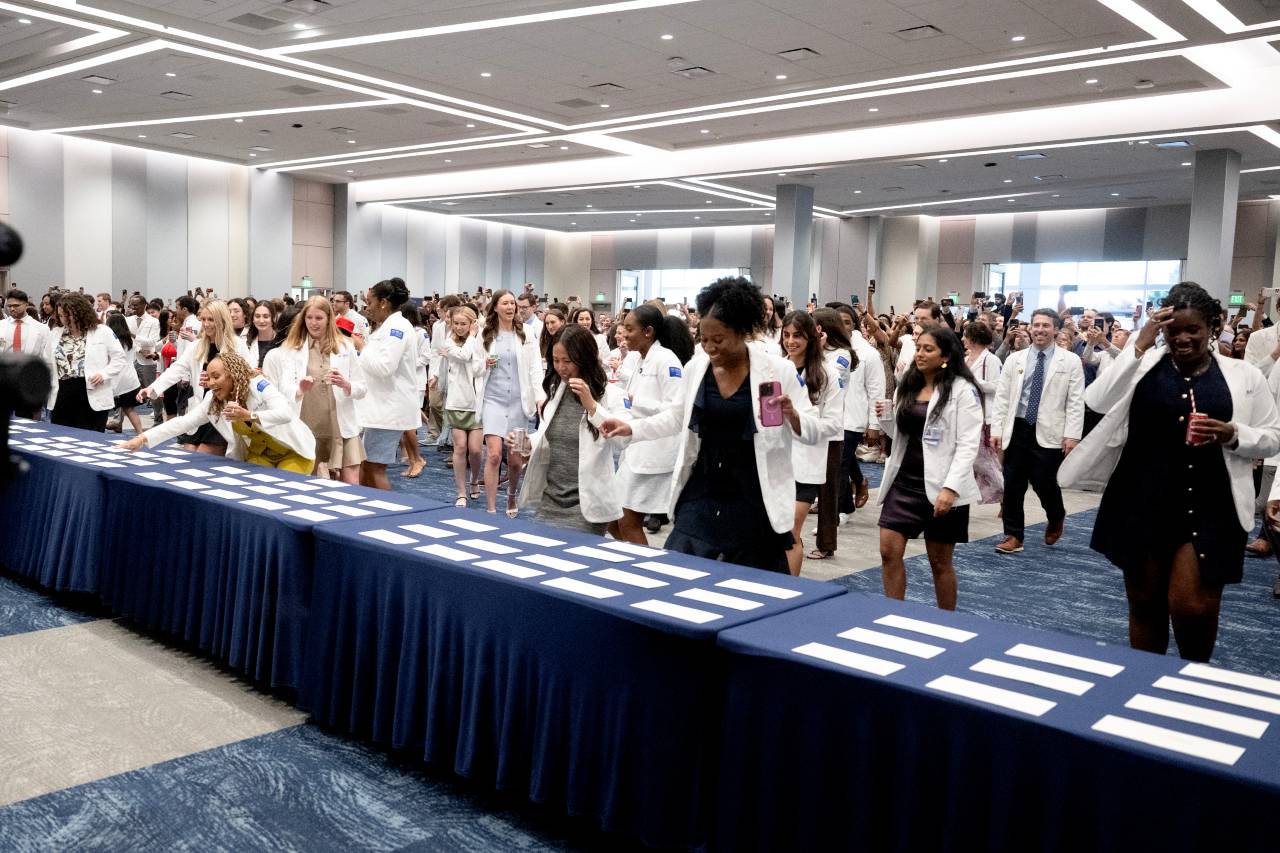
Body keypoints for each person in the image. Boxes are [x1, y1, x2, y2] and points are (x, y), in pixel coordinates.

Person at [1063, 283, 1280, 661]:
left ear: (1213, 327)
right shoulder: (1142, 363)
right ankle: (1146, 687)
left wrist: (1234, 435)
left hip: (1213, 503)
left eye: (1192, 329)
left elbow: (1273, 436)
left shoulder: (1243, 376)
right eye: (1172, 330)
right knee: (1145, 603)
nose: (1181, 338)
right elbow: (1096, 400)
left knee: (1192, 608)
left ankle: (1192, 682)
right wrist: (1138, 344)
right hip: (1140, 499)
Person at [601, 278, 820, 574]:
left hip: (754, 493)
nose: (709, 347)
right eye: (704, 339)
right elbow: (677, 417)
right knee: (681, 570)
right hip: (702, 487)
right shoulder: (697, 369)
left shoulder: (776, 370)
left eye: (718, 340)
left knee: (753, 580)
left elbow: (815, 429)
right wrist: (632, 428)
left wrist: (793, 415)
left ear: (742, 332)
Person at [876, 324, 983, 610]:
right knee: (888, 550)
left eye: (928, 349)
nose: (920, 354)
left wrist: (951, 488)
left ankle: (946, 619)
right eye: (918, 348)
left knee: (939, 562)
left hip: (941, 487)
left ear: (945, 355)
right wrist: (885, 416)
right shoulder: (908, 383)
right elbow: (899, 433)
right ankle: (894, 613)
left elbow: (968, 444)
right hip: (904, 481)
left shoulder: (963, 390)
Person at [118, 351, 316, 471]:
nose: (211, 383)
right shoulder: (213, 400)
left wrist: (249, 416)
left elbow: (285, 413)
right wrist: (141, 439)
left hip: (293, 452)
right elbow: (183, 423)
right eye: (209, 378)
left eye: (216, 377)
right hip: (259, 455)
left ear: (232, 376)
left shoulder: (259, 385)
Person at [989, 308, 1085, 554]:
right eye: (1036, 325)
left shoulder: (1071, 360)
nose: (1040, 329)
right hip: (1018, 427)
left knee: (1044, 483)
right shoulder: (1015, 359)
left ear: (1055, 329)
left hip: (1050, 430)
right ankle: (1013, 535)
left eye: (1046, 325)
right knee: (1012, 484)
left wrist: (1072, 435)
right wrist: (997, 429)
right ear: (1030, 328)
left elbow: (1075, 401)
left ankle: (1056, 515)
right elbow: (1002, 398)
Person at [517, 325, 625, 533]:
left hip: (585, 506)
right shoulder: (556, 389)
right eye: (555, 361)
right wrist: (526, 442)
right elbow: (549, 433)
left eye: (567, 361)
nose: (560, 367)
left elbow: (621, 441)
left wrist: (592, 407)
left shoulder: (610, 394)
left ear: (585, 358)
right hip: (550, 500)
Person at [262, 295, 366, 484]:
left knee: (351, 482)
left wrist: (346, 384)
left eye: (319, 318)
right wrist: (299, 389)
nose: (313, 323)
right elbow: (285, 387)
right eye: (309, 318)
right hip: (307, 422)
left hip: (341, 423)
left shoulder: (345, 347)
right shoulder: (292, 348)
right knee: (308, 482)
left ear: (329, 319)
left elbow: (362, 388)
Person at [609, 305, 685, 545]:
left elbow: (675, 410)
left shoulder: (667, 360)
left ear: (648, 332)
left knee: (627, 520)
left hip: (654, 452)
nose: (623, 334)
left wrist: (636, 402)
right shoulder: (638, 359)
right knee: (610, 516)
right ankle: (630, 560)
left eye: (629, 329)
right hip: (635, 448)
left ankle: (643, 568)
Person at [139, 300, 250, 456]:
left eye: (211, 319)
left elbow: (247, 377)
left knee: (204, 455)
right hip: (200, 410)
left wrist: (219, 382)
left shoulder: (238, 345)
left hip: (223, 411)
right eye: (203, 319)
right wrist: (153, 388)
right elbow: (177, 369)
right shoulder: (197, 345)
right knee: (189, 453)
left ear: (222, 320)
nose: (206, 324)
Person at [781, 311, 843, 574]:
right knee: (774, 530)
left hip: (807, 462)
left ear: (811, 338)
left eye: (797, 335)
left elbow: (833, 424)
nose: (791, 341)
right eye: (786, 335)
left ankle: (789, 591)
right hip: (776, 460)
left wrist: (799, 419)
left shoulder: (826, 373)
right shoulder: (775, 368)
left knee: (791, 529)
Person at [477, 289, 545, 516]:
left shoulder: (526, 332)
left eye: (512, 304)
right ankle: (491, 508)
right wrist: (485, 363)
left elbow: (535, 367)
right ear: (495, 306)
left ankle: (512, 495)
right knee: (494, 455)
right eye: (505, 303)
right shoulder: (485, 333)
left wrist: (539, 396)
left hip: (519, 402)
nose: (510, 307)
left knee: (516, 460)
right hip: (492, 401)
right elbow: (475, 366)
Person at [354, 279, 422, 490]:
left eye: (370, 302)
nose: (368, 307)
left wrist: (361, 347)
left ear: (383, 302)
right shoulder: (388, 326)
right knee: (366, 466)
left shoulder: (397, 328)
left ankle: (386, 514)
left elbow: (385, 367)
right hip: (379, 408)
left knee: (374, 469)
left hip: (389, 409)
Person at [43, 293, 126, 431]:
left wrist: (104, 374)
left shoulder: (102, 331)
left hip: (91, 389)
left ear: (80, 313)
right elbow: (47, 362)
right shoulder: (56, 333)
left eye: (67, 315)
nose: (63, 319)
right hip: (62, 392)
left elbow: (119, 358)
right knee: (62, 438)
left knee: (91, 439)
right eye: (60, 315)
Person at [438, 306, 484, 506]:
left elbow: (480, 361)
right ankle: (461, 492)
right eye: (456, 323)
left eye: (463, 324)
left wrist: (475, 336)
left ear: (472, 323)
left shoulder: (481, 340)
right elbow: (465, 355)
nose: (459, 327)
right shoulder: (448, 342)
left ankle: (474, 480)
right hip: (457, 402)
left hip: (478, 402)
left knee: (475, 450)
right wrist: (473, 336)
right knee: (460, 447)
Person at [396, 304, 429, 479]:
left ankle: (416, 458)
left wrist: (406, 364)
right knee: (404, 424)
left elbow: (425, 357)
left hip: (416, 382)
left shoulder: (420, 333)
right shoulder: (404, 332)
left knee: (409, 423)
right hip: (403, 382)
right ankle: (411, 457)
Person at [104, 312, 144, 435]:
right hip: (129, 379)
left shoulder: (110, 340)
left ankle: (98, 432)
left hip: (114, 378)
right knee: (129, 408)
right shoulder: (130, 340)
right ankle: (141, 433)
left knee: (103, 408)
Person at [963, 321, 1002, 423]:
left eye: (965, 336)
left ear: (973, 339)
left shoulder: (992, 360)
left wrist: (972, 380)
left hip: (984, 415)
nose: (962, 339)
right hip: (966, 412)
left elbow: (997, 387)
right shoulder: (965, 360)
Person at [1, 289, 49, 357]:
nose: (12, 309)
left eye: (16, 305)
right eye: (9, 306)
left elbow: (47, 358)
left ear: (26, 305)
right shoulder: (1, 325)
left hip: (31, 367)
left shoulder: (42, 329)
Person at [246, 300, 280, 369]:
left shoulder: (282, 341)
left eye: (266, 316)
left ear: (273, 318)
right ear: (253, 319)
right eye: (257, 316)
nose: (261, 321)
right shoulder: (245, 342)